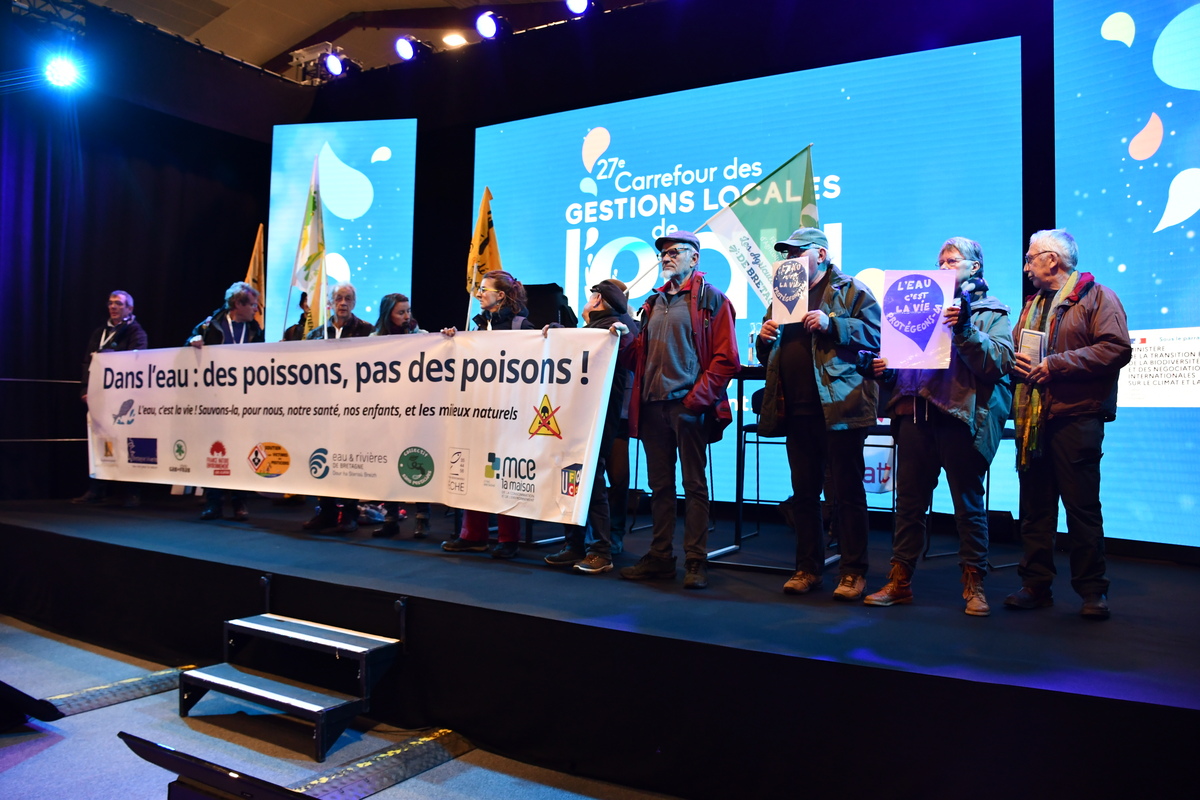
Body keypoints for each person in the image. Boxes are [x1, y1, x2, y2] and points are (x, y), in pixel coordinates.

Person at [861, 238, 1014, 615]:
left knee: (967, 506)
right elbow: (904, 368)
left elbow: (1000, 362)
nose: (943, 266)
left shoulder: (990, 311)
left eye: (952, 260)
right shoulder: (917, 307)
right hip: (914, 415)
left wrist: (965, 329)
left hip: (959, 419)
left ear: (974, 267)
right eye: (940, 261)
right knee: (908, 505)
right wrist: (885, 372)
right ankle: (900, 581)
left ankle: (974, 585)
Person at [1005, 229, 1131, 620]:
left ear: (1052, 260)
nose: (1026, 267)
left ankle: (1093, 591)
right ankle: (1035, 585)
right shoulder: (1031, 305)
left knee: (1081, 509)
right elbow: (1018, 350)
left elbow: (1116, 348)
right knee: (1035, 508)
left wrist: (1056, 365)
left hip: (1076, 416)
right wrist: (1014, 363)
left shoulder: (1098, 297)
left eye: (1030, 259)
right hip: (1034, 421)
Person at [755, 227, 880, 600]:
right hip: (796, 409)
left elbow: (878, 335)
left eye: (797, 252)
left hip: (840, 406)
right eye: (787, 254)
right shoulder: (784, 295)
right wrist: (763, 339)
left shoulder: (850, 290)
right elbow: (768, 357)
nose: (790, 260)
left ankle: (853, 572)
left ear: (821, 255)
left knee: (847, 493)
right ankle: (807, 568)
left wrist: (833, 324)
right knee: (804, 494)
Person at [616, 231, 739, 590]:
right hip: (653, 406)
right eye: (663, 254)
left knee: (694, 485)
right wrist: (624, 336)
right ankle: (660, 557)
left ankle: (696, 560)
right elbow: (639, 359)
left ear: (694, 258)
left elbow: (726, 359)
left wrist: (695, 401)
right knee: (660, 487)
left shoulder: (711, 299)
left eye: (674, 252)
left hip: (688, 407)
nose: (666, 258)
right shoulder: (652, 303)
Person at [543, 280, 639, 574]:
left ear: (598, 300)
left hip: (597, 417)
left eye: (592, 296)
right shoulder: (593, 330)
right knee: (573, 477)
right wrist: (557, 334)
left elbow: (628, 345)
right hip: (576, 415)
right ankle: (575, 544)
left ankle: (601, 549)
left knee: (592, 479)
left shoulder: (616, 328)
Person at [440, 270, 536, 559]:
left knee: (505, 474)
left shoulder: (522, 327)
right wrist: (452, 341)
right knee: (473, 470)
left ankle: (508, 539)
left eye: (484, 289)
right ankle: (473, 535)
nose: (479, 294)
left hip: (510, 414)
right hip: (477, 411)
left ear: (501, 295)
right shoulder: (477, 327)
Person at [188, 281, 263, 521]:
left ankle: (239, 502)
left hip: (244, 402)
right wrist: (193, 342)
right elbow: (186, 347)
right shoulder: (210, 325)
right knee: (215, 451)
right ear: (238, 304)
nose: (256, 309)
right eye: (252, 305)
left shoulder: (255, 330)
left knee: (242, 450)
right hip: (215, 401)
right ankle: (214, 503)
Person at [303, 283, 374, 533]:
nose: (343, 303)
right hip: (323, 409)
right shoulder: (316, 335)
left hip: (354, 407)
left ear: (354, 303)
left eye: (348, 298)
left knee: (350, 459)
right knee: (322, 457)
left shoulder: (367, 331)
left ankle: (350, 513)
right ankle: (327, 512)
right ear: (330, 303)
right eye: (338, 298)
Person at [74, 290, 148, 507]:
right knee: (99, 441)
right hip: (100, 396)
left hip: (126, 398)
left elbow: (139, 361)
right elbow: (87, 363)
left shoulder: (136, 332)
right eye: (110, 303)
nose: (113, 307)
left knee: (129, 443)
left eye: (118, 303)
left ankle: (132, 492)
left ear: (129, 309)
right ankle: (96, 489)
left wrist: (112, 358)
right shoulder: (100, 332)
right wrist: (85, 388)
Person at [370, 292, 431, 538]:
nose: (406, 316)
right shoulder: (374, 340)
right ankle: (391, 518)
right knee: (389, 464)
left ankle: (423, 518)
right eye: (400, 312)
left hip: (415, 411)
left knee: (420, 462)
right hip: (387, 411)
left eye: (408, 311)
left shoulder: (423, 337)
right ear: (388, 315)